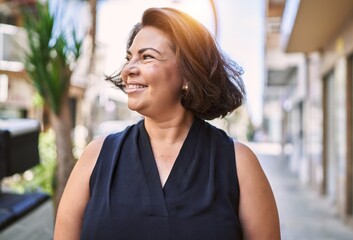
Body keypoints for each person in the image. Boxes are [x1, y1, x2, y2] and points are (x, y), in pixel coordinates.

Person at [54, 7, 280, 240]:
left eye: (147, 56)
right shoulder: (96, 156)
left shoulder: (239, 163)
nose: (128, 70)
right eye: (129, 58)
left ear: (187, 76)